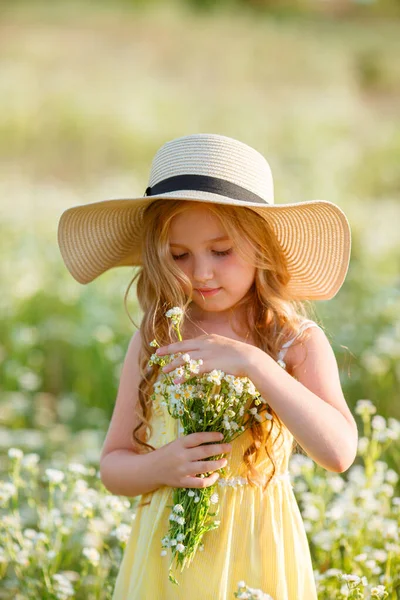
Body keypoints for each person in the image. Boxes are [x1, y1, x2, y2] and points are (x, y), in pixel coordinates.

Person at [57, 133, 358, 600]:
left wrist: (254, 363)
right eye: (179, 255)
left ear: (262, 247)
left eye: (222, 251)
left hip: (256, 555)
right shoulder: (157, 339)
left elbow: (338, 453)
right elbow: (114, 467)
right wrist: (161, 465)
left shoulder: (293, 343)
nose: (201, 273)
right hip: (168, 561)